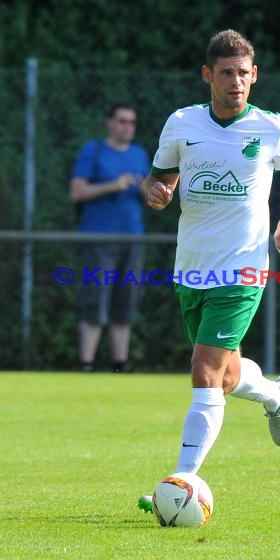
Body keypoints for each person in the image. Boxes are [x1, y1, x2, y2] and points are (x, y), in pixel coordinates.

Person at [138, 30, 280, 512]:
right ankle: (275, 394)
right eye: (228, 73)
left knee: (204, 370)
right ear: (208, 75)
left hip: (244, 268)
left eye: (245, 73)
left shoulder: (273, 128)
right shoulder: (182, 123)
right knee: (227, 377)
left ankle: (180, 484)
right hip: (191, 268)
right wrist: (157, 192)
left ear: (255, 76)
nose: (237, 82)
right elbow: (162, 177)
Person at [70, 103, 150, 373]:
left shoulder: (140, 154)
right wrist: (112, 185)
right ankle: (87, 365)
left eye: (132, 122)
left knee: (126, 302)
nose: (127, 127)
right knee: (95, 298)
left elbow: (152, 197)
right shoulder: (93, 151)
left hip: (133, 240)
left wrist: (145, 190)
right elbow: (77, 192)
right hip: (98, 239)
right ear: (109, 123)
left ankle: (120, 366)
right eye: (122, 121)